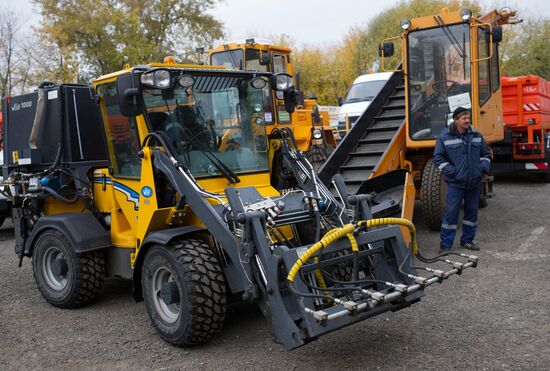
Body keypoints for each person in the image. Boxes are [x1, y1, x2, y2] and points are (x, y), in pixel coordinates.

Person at [433, 107, 491, 252]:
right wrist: (453, 172)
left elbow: (485, 154)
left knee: (471, 213)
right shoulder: (445, 136)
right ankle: (446, 245)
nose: (467, 121)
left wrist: (482, 169)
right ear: (456, 120)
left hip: (474, 182)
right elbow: (438, 158)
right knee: (451, 214)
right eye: (464, 118)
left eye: (468, 118)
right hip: (455, 183)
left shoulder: (476, 134)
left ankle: (467, 241)